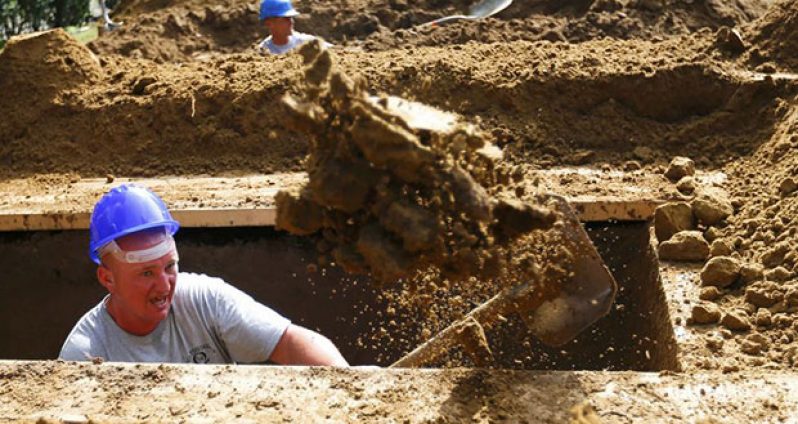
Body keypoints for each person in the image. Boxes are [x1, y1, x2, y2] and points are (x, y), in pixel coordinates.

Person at [59, 184, 348, 366]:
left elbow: (291, 343)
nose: (164, 285)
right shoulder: (85, 352)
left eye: (170, 266)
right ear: (107, 278)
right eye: (146, 273)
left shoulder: (202, 299)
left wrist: (347, 387)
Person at [257, 0, 327, 55]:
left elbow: (334, 53)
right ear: (269, 23)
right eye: (286, 19)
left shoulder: (307, 43)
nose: (291, 22)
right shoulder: (263, 51)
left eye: (291, 18)